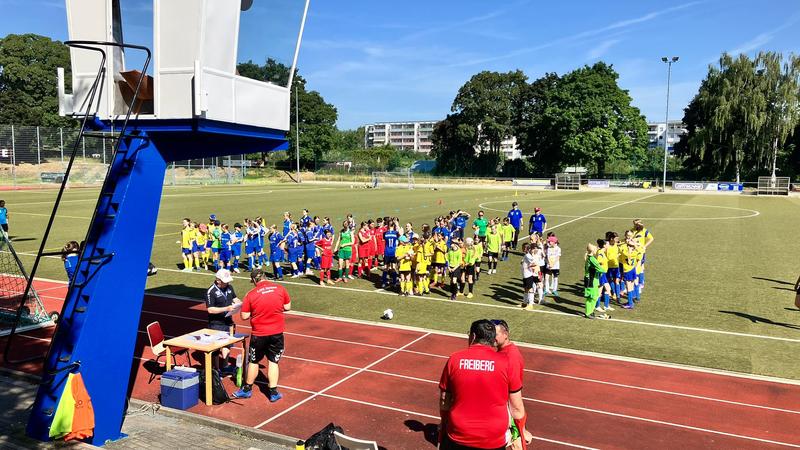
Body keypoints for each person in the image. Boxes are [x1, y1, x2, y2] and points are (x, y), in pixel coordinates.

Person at [438, 319, 526, 450]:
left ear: (473, 336)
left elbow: (445, 400)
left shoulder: (454, 359)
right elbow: (517, 409)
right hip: (493, 436)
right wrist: (519, 434)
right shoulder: (506, 363)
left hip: (459, 433)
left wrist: (444, 425)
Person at [233, 269, 291, 402]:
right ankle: (273, 392)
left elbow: (244, 316)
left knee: (253, 361)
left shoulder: (251, 294)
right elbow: (287, 307)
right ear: (265, 277)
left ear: (254, 280)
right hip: (277, 332)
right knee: (273, 362)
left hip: (259, 333)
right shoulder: (280, 288)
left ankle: (247, 389)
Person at [493, 320, 533, 447]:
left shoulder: (511, 356)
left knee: (517, 443)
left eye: (495, 334)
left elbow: (514, 390)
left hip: (508, 408)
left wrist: (521, 425)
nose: (491, 337)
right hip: (505, 406)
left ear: (506, 334)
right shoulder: (504, 351)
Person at [205, 269, 240, 375]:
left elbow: (235, 298)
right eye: (225, 281)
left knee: (227, 345)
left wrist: (240, 304)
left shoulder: (229, 287)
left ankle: (224, 366)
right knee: (216, 348)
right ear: (218, 280)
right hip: (216, 324)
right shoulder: (210, 291)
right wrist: (226, 309)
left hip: (228, 321)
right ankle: (216, 370)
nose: (228, 283)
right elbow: (210, 309)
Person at [584, 244, 609, 319]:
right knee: (591, 297)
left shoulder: (591, 258)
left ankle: (591, 311)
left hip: (594, 280)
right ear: (593, 250)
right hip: (590, 280)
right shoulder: (592, 259)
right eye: (595, 249)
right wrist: (604, 270)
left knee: (595, 296)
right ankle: (588, 313)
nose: (596, 251)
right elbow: (600, 268)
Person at [631, 219, 654, 292]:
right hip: (633, 252)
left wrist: (645, 246)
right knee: (635, 266)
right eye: (634, 224)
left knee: (640, 267)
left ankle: (641, 283)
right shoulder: (632, 230)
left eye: (636, 224)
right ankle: (636, 282)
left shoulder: (644, 231)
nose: (635, 225)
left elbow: (651, 238)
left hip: (641, 252)